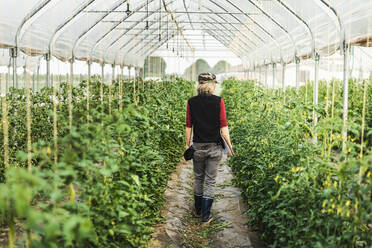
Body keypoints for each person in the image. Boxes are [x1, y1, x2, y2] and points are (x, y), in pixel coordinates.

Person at [185, 72, 234, 224]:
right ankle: (206, 216)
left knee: (198, 178)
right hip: (214, 147)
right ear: (212, 85)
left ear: (199, 85)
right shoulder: (219, 101)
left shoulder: (191, 102)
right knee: (210, 181)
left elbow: (188, 126)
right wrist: (230, 147)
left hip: (198, 146)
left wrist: (187, 145)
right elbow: (223, 126)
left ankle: (198, 210)